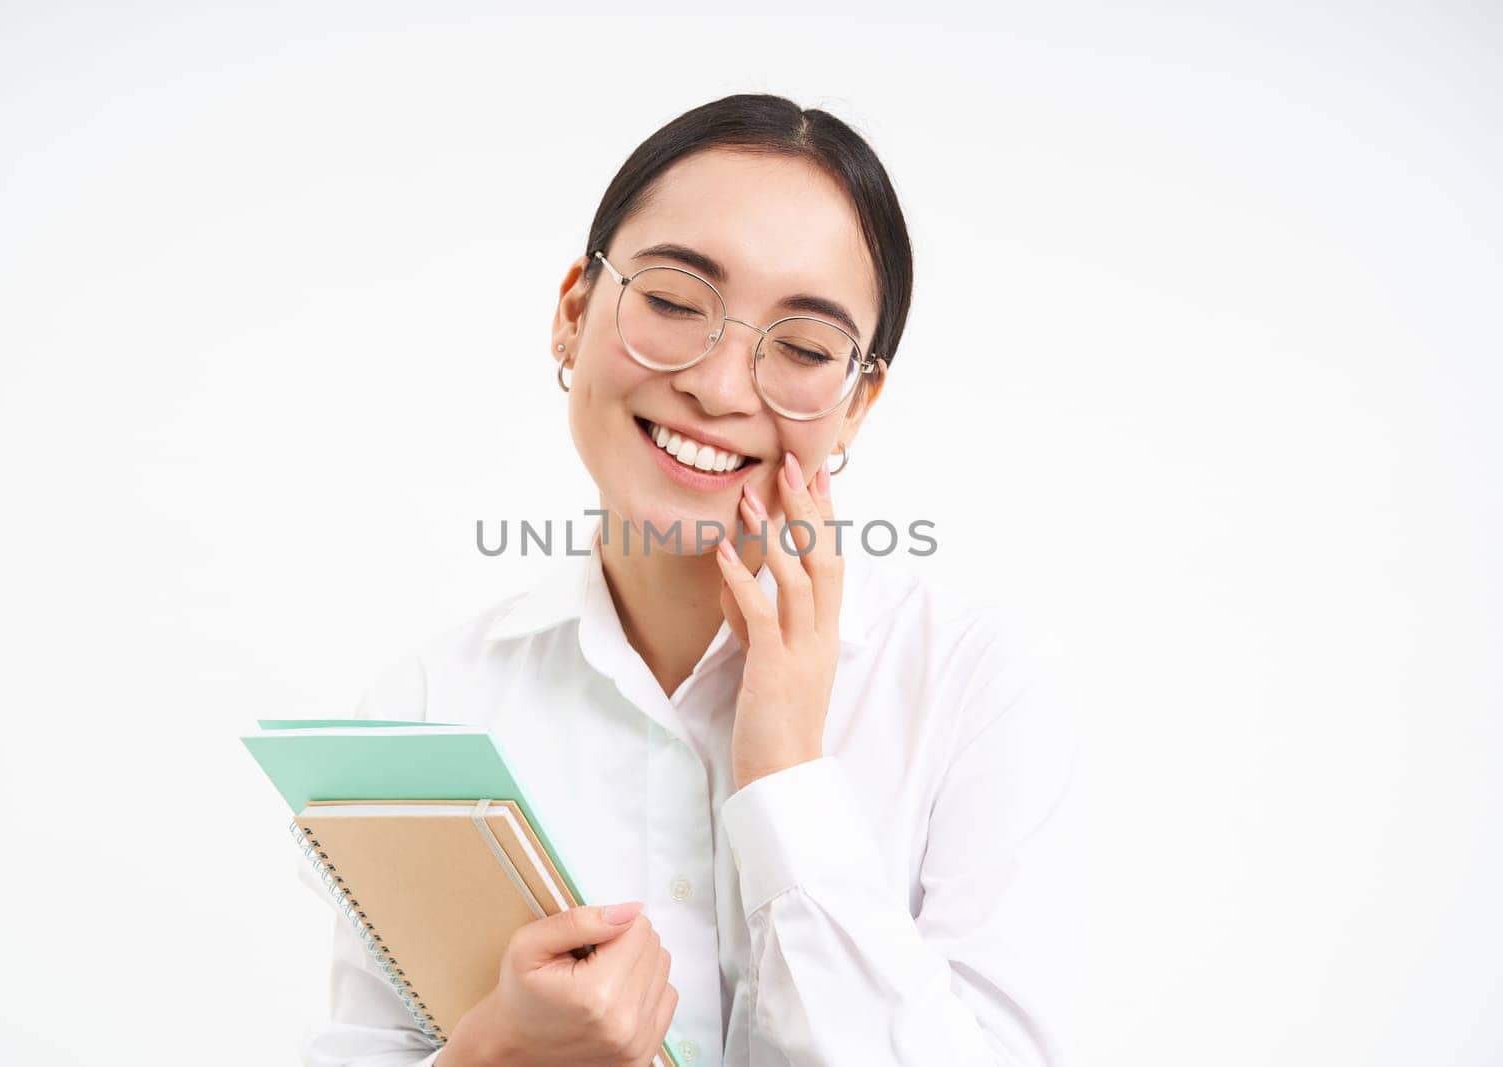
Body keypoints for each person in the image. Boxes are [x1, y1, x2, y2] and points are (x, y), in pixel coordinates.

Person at [297, 93, 1079, 1067]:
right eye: (672, 301)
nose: (716, 387)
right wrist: (491, 1053)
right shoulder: (429, 706)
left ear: (855, 403)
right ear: (573, 311)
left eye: (800, 347)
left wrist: (787, 770)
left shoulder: (964, 684)